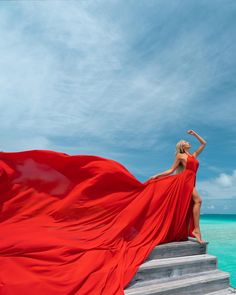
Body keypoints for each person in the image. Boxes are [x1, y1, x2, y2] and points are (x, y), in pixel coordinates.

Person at [147, 129, 207, 244]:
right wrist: (157, 175)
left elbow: (204, 143)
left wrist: (195, 134)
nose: (188, 142)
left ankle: (193, 230)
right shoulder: (180, 155)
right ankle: (196, 230)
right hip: (184, 181)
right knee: (198, 201)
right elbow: (171, 170)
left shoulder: (193, 155)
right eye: (185, 141)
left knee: (192, 204)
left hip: (191, 180)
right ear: (181, 145)